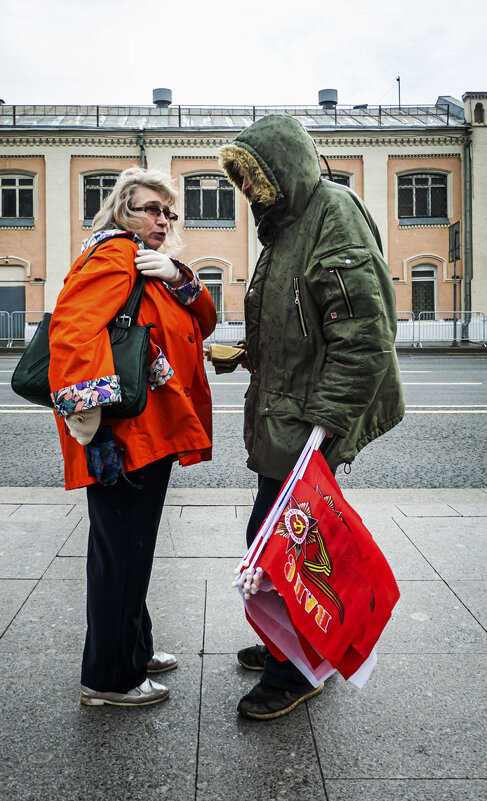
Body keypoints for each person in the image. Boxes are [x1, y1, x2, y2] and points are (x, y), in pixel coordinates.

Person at [219, 115, 404, 720]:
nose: (248, 194)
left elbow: (364, 336)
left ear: (283, 169)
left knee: (276, 542)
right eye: (241, 184)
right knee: (284, 540)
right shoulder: (286, 226)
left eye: (254, 181)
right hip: (287, 410)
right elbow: (298, 321)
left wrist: (326, 426)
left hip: (308, 420)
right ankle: (291, 642)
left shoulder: (332, 213)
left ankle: (294, 670)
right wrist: (248, 352)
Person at [48, 167, 216, 708]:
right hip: (124, 436)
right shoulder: (117, 254)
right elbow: (72, 331)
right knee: (121, 553)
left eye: (169, 212)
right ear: (122, 209)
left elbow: (203, 322)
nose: (162, 219)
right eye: (150, 208)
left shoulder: (149, 265)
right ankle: (109, 678)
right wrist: (89, 425)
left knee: (130, 550)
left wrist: (179, 276)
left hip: (151, 428)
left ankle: (133, 646)